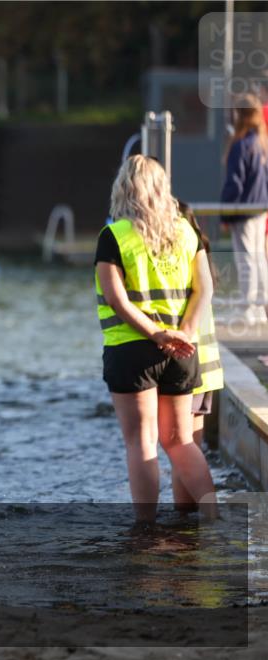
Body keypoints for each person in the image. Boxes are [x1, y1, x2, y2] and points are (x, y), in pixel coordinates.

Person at [95, 156, 217, 522]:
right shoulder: (185, 231)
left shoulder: (114, 235)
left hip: (132, 349)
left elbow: (116, 298)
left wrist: (155, 333)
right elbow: (204, 288)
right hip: (181, 350)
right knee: (180, 441)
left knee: (141, 442)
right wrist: (184, 335)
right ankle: (215, 515)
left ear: (124, 189)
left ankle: (146, 531)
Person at [171, 202, 224, 512]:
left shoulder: (184, 264)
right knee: (190, 446)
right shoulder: (203, 265)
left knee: (180, 448)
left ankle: (191, 517)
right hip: (209, 370)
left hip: (191, 367)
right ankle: (193, 520)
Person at [220, 94, 268, 325]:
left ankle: (247, 310)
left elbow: (234, 183)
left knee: (246, 259)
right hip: (260, 208)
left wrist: (225, 213)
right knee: (259, 259)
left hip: (246, 211)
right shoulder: (261, 143)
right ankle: (260, 307)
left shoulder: (241, 145)